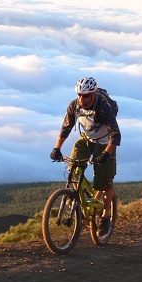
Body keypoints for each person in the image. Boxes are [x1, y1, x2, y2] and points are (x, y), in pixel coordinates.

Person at [50, 76, 121, 233]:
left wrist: (106, 154)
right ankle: (77, 197)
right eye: (79, 95)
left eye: (86, 95)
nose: (82, 98)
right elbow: (66, 128)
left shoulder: (103, 107)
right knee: (74, 167)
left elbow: (116, 135)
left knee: (105, 182)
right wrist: (57, 148)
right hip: (86, 139)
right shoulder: (74, 106)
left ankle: (105, 216)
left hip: (105, 143)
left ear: (93, 95)